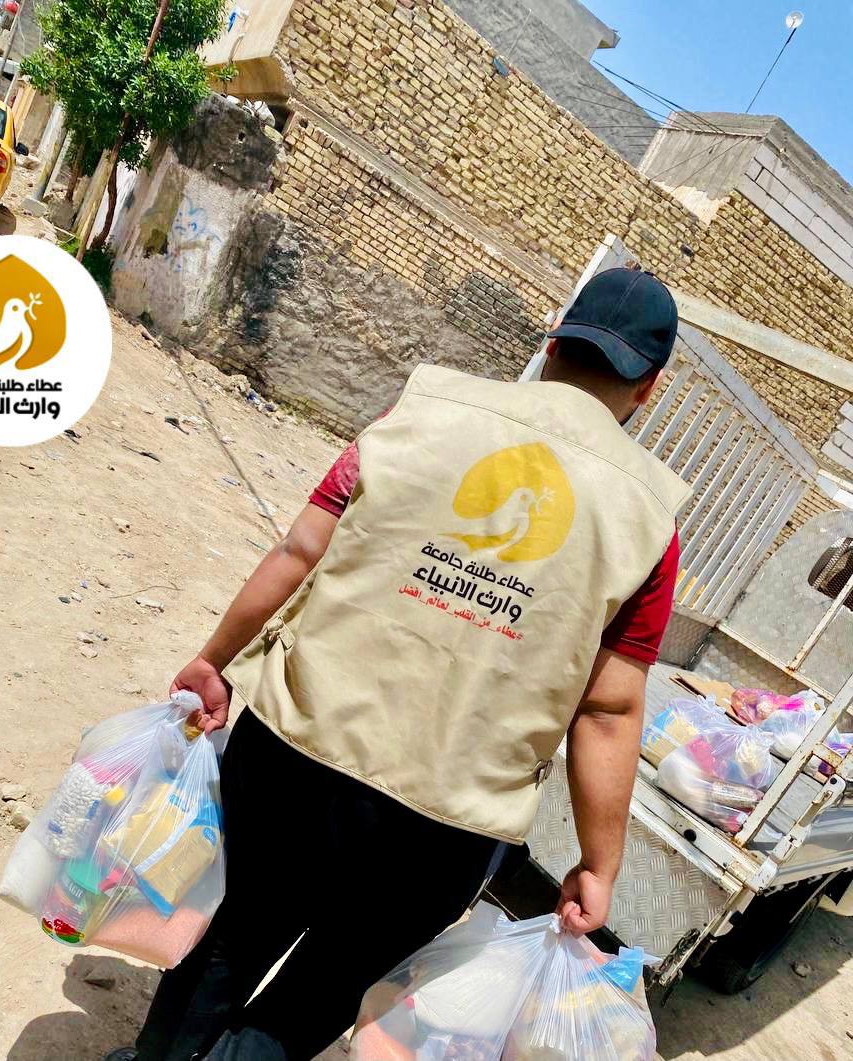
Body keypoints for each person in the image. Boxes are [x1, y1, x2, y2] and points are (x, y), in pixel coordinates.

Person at [104, 267, 688, 1061]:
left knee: (229, 933)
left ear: (554, 342)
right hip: (447, 819)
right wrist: (598, 862)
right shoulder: (649, 519)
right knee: (321, 987)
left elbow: (301, 548)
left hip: (297, 747)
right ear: (648, 387)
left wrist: (214, 659)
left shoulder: (424, 409)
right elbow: (608, 708)